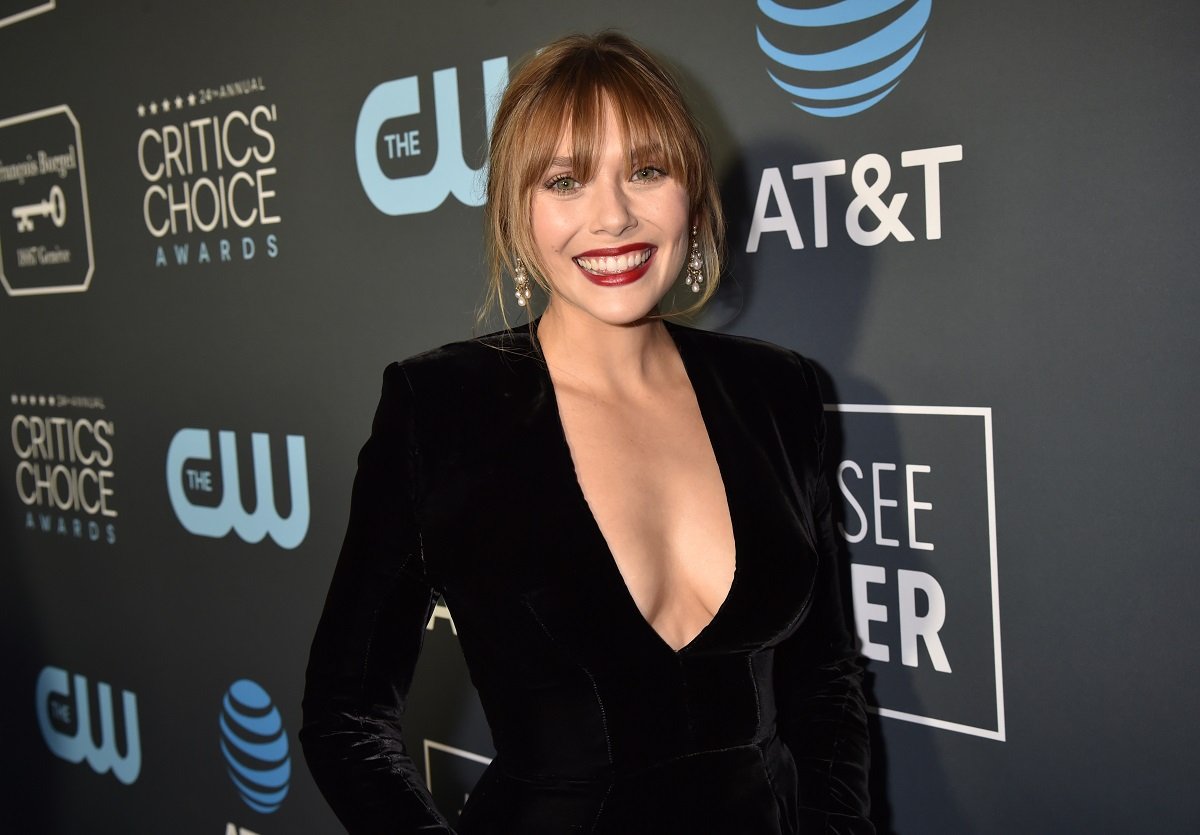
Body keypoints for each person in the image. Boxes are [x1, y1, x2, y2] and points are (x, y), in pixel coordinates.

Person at [300, 31, 872, 834]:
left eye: (646, 170)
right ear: (515, 209)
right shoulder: (442, 408)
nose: (613, 216)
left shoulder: (778, 394)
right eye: (565, 180)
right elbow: (344, 718)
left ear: (691, 192)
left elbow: (826, 688)